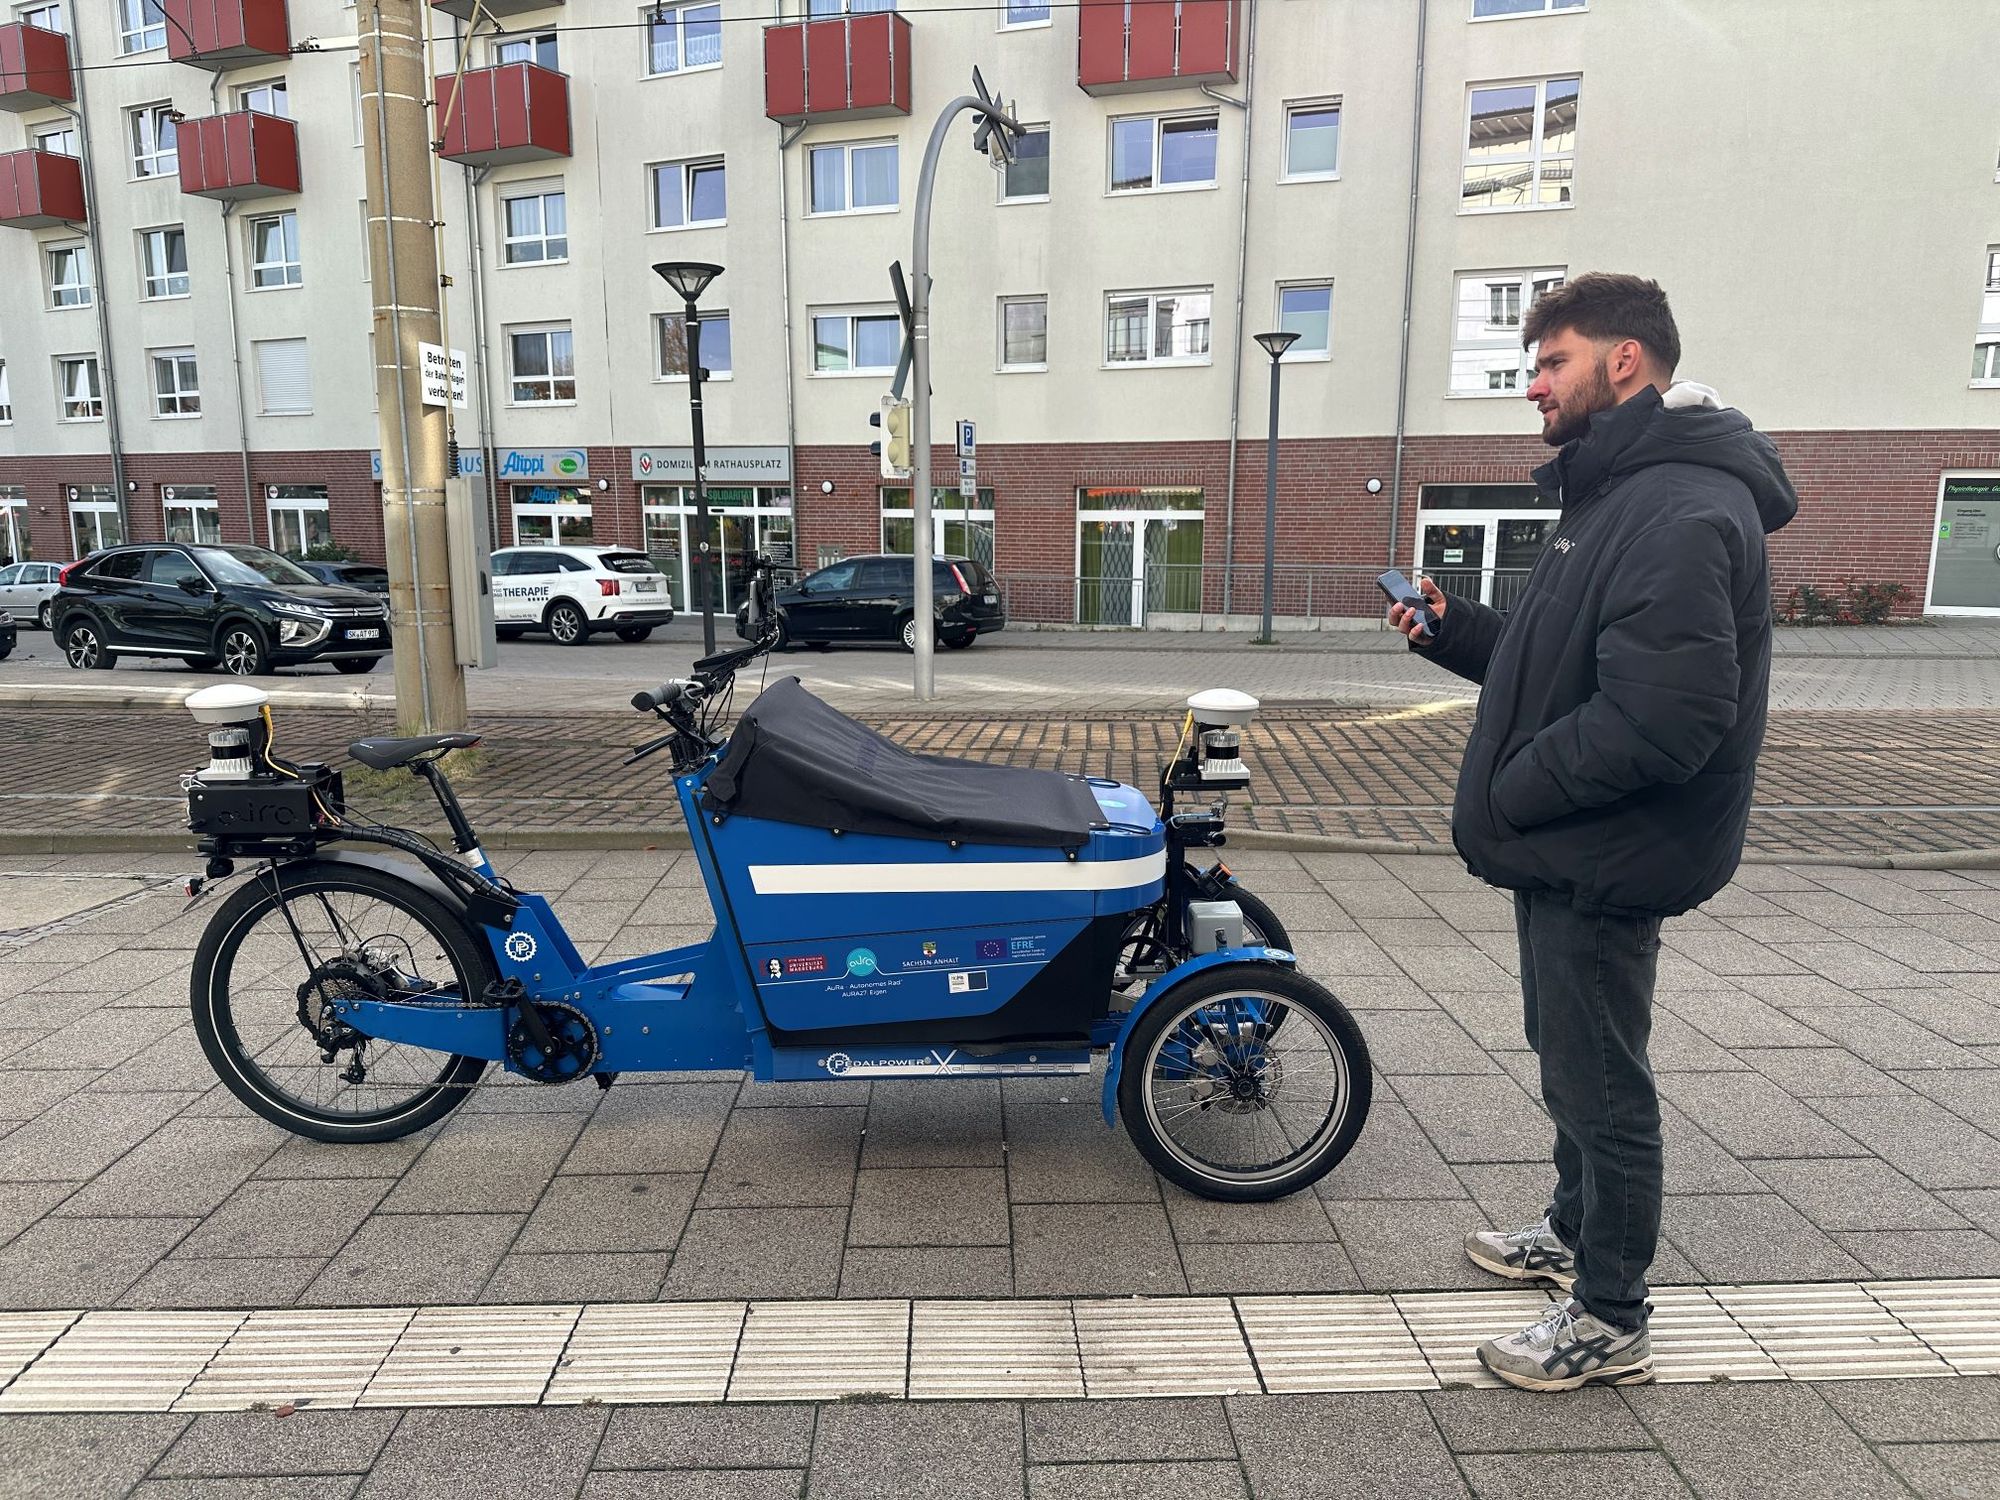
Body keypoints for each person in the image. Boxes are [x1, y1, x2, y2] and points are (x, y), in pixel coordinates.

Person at [1387, 272, 1798, 1391]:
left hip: (1605, 848)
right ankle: (1571, 1233)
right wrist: (1454, 630)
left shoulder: (1678, 507)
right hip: (1575, 842)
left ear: (1624, 362)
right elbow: (1556, 654)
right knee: (1564, 1057)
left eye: (1551, 361)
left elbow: (1664, 717)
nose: (1532, 385)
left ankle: (1610, 1314)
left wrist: (1513, 789)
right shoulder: (1620, 497)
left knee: (1598, 1085)